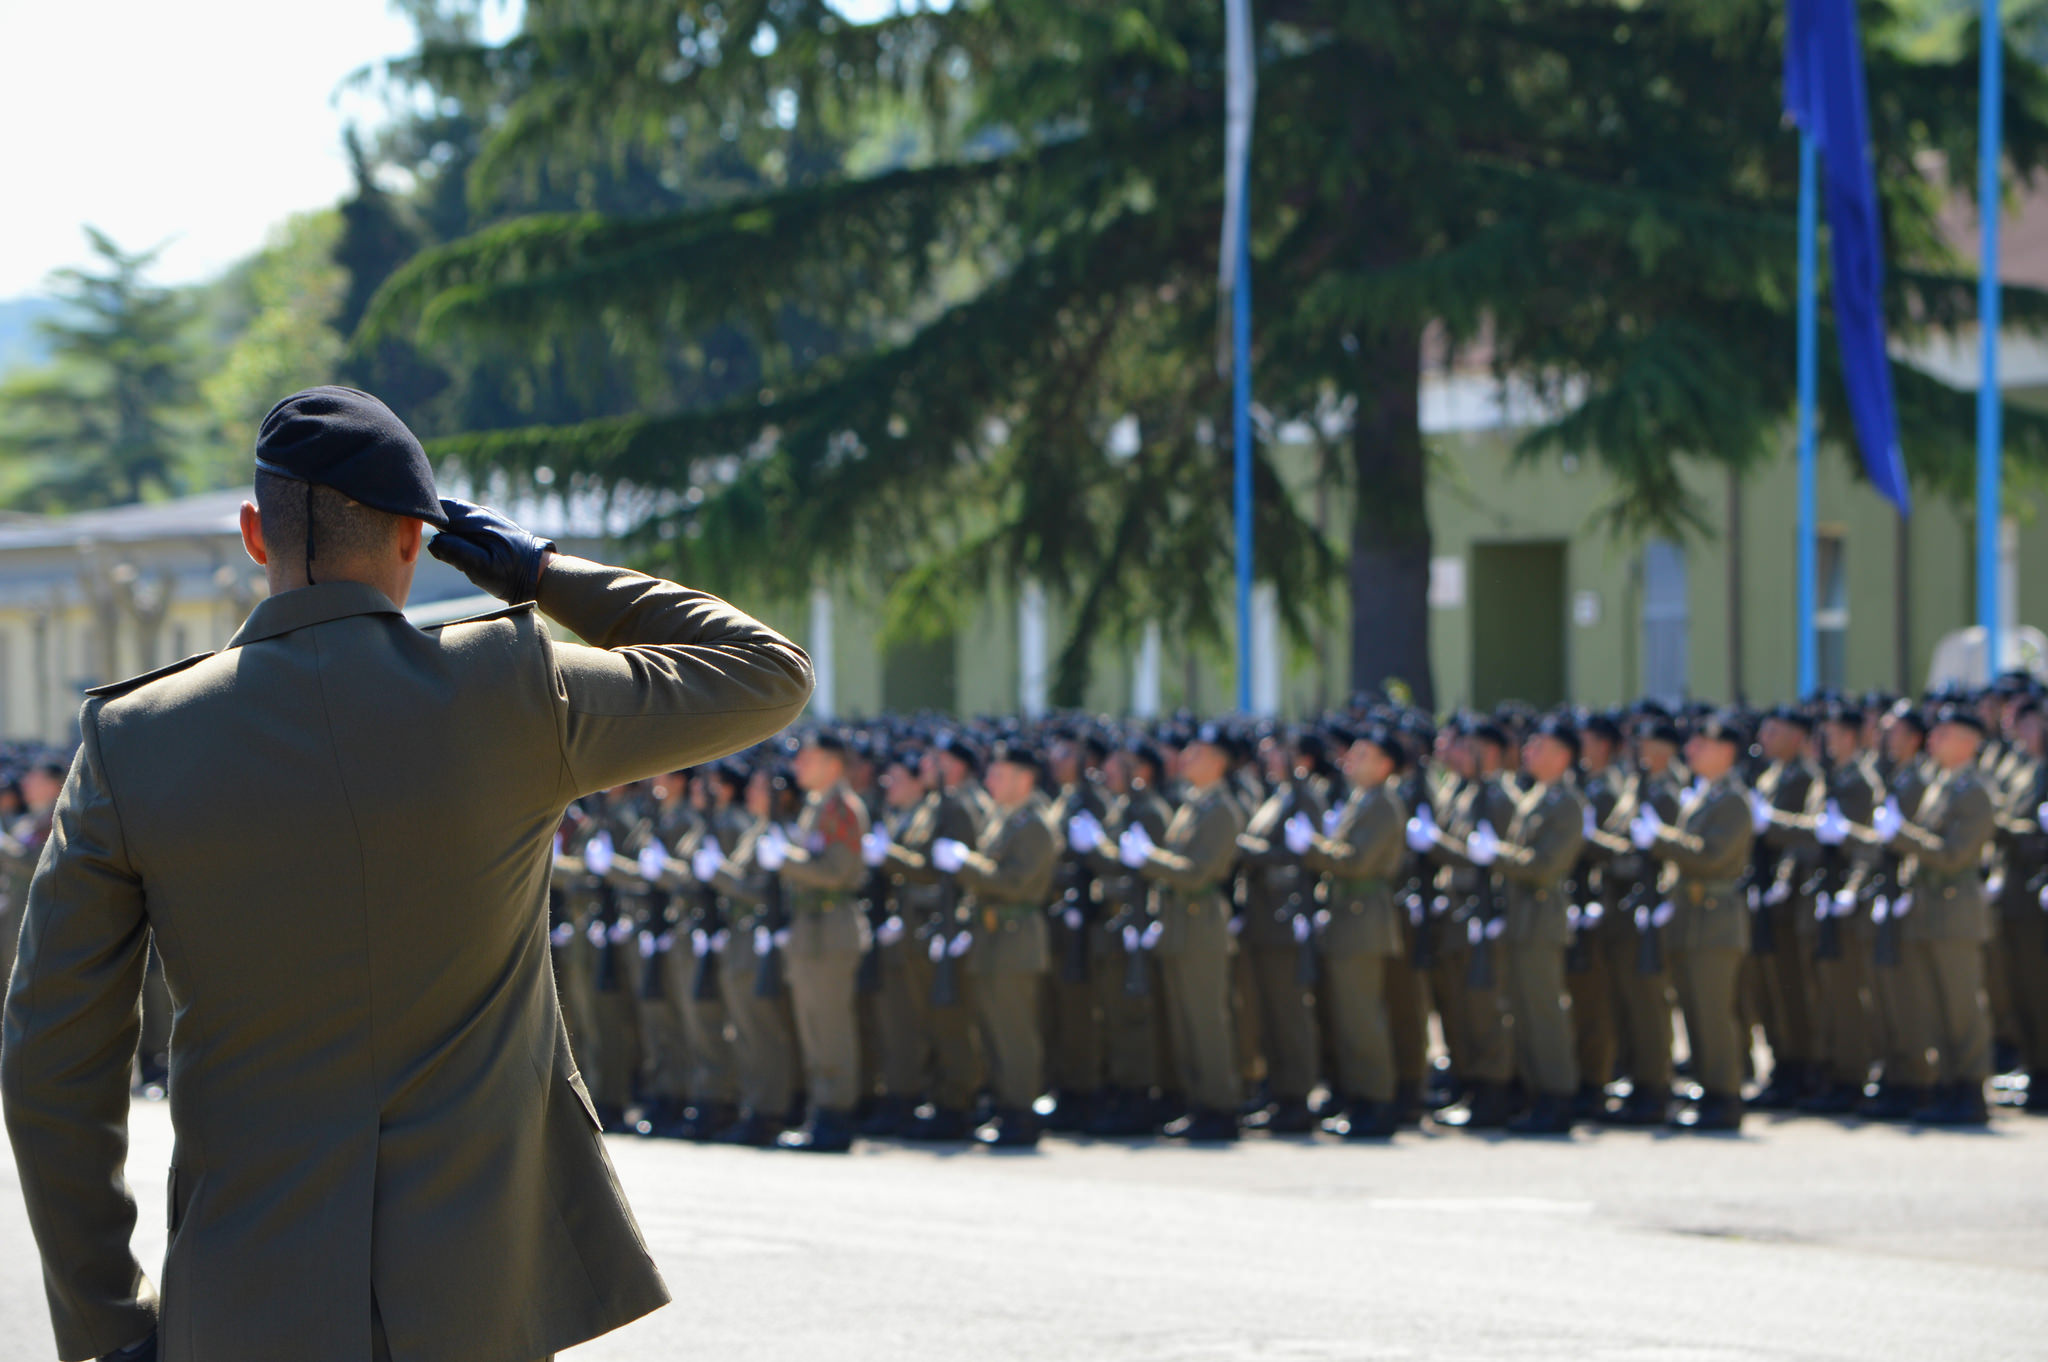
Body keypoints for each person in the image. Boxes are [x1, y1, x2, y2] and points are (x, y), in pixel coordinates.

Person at [0, 386, 814, 1362]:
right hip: (478, 1305)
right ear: (416, 540)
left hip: (244, 1305)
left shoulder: (134, 741)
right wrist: (541, 571)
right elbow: (765, 671)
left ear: (256, 534)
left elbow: (51, 1064)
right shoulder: (509, 691)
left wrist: (108, 1327)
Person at [1862, 704, 1998, 1126]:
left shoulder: (1973, 791)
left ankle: (1971, 1090)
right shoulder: (1943, 784)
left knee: (1960, 1006)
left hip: (1955, 911)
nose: (1932, 741)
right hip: (1930, 909)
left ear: (1967, 743)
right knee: (1935, 1006)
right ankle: (1948, 1084)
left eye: (1943, 734)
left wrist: (1902, 836)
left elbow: (1955, 854)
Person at [1120, 723, 1247, 1141]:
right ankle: (1198, 1102)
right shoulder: (1194, 804)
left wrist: (1149, 858)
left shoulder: (1221, 809)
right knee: (1184, 1020)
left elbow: (1196, 873)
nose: (1186, 758)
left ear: (1217, 761)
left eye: (1197, 753)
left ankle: (1220, 1106)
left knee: (1206, 1020)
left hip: (1200, 919)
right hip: (1179, 921)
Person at [1635, 712, 1757, 1133]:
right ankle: (1710, 1091)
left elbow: (1710, 855)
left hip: (1715, 920)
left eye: (1701, 745)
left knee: (1713, 1014)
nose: (1691, 751)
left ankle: (1725, 1097)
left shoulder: (1734, 800)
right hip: (1691, 918)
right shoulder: (1704, 796)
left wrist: (1661, 838)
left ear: (1726, 751)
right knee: (1693, 1011)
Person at [935, 741, 1057, 1147]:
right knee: (993, 1030)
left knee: (1014, 1033)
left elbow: (1013, 882)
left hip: (1015, 937)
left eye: (1000, 774)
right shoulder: (1006, 819)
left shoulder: (1035, 824)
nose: (990, 780)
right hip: (993, 937)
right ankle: (1006, 1107)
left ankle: (1021, 1113)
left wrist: (965, 863)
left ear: (1025, 779)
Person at [1300, 724, 1408, 1140]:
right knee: (1349, 1016)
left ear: (1384, 765)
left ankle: (1376, 1102)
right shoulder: (1364, 799)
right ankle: (1361, 1098)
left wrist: (1312, 845)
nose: (1350, 761)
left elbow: (1357, 861)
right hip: (1349, 916)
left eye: (1362, 756)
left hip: (1364, 917)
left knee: (1362, 1017)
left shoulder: (1382, 803)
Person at [770, 730, 872, 1152]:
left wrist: (787, 861)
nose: (798, 767)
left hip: (831, 928)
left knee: (830, 1029)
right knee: (814, 1027)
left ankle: (835, 1116)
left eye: (806, 760)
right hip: (811, 928)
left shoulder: (843, 809)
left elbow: (836, 870)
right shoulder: (816, 806)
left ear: (831, 765)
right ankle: (821, 1111)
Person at [1488, 716, 1589, 1134]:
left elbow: (1546, 864)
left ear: (1564, 756)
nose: (1528, 753)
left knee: (1544, 1012)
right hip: (1521, 918)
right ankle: (1535, 1094)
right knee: (1523, 1011)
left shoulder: (1566, 803)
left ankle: (1557, 1095)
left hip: (1541, 918)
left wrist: (1496, 854)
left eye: (1540, 748)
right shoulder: (1536, 797)